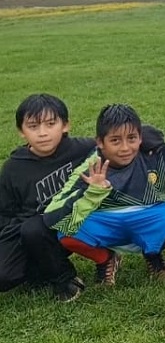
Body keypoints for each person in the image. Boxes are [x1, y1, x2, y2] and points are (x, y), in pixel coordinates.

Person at [44, 104, 165, 287]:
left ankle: (152, 253)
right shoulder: (89, 168)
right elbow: (52, 214)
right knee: (66, 232)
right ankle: (105, 259)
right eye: (115, 140)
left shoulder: (153, 152)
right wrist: (91, 193)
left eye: (132, 138)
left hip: (150, 214)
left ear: (140, 137)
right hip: (107, 220)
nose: (125, 147)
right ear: (100, 142)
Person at [0, 94, 94, 301]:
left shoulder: (83, 149)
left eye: (50, 124)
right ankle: (42, 266)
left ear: (65, 125)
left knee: (35, 228)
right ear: (21, 132)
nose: (42, 133)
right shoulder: (13, 168)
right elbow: (5, 214)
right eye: (33, 126)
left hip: (73, 220)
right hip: (30, 231)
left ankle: (65, 279)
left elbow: (116, 144)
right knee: (5, 276)